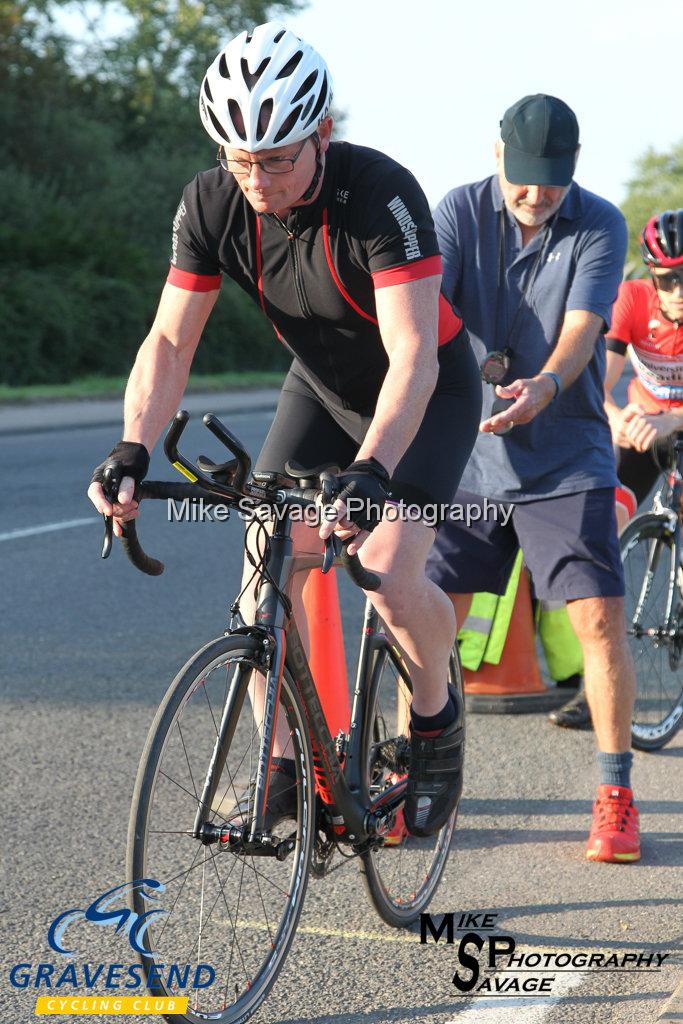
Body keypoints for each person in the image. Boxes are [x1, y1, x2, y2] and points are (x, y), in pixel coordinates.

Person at [87, 23, 481, 838]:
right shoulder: (210, 202)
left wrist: (373, 469)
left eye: (277, 159)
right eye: (241, 160)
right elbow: (168, 341)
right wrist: (130, 444)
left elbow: (412, 354)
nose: (258, 179)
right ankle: (282, 761)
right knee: (265, 568)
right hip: (322, 388)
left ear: (321, 136)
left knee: (386, 570)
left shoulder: (380, 193)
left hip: (424, 391)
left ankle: (435, 726)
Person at [425, 93, 641, 863]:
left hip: (564, 450)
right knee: (427, 626)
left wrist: (543, 388)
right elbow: (427, 313)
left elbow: (583, 329)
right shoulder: (456, 211)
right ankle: (419, 777)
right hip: (468, 454)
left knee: (596, 621)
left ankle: (614, 795)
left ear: (571, 169)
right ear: (496, 156)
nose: (534, 193)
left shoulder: (599, 222)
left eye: (549, 180)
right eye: (523, 177)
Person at [605, 209, 683, 519]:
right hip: (646, 424)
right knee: (608, 516)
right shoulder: (633, 298)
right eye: (668, 280)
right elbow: (600, 384)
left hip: (668, 420)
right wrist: (615, 419)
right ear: (652, 275)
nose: (679, 292)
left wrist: (672, 419)